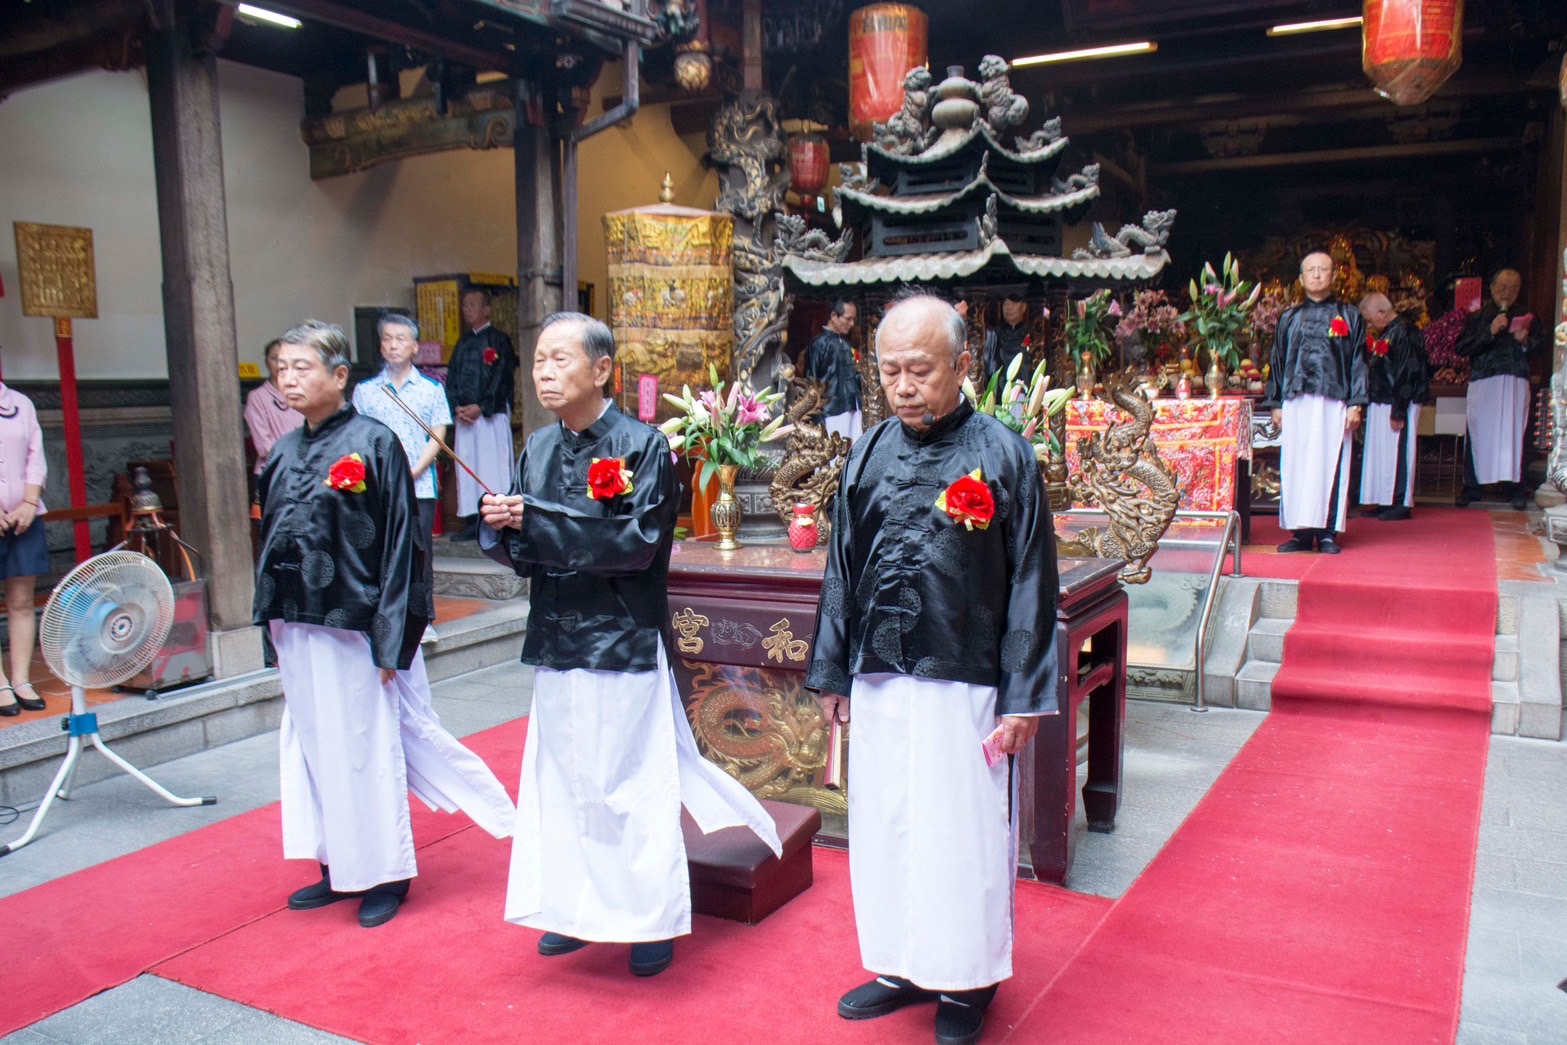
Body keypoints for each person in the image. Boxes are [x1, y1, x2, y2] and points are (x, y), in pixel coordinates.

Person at [479, 312, 781, 978]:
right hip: (557, 639)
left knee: (627, 781)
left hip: (620, 636)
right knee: (564, 782)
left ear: (602, 368)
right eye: (539, 361)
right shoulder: (535, 449)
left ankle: (647, 917)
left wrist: (543, 521)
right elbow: (529, 555)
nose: (546, 373)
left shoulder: (643, 446)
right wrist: (502, 528)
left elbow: (635, 544)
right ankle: (572, 907)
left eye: (561, 359)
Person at [805, 294, 1059, 1045]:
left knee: (960, 829)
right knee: (886, 824)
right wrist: (832, 672)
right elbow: (839, 569)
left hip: (967, 679)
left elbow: (1030, 585)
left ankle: (967, 975)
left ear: (962, 365)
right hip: (881, 673)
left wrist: (1021, 695)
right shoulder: (868, 451)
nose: (904, 385)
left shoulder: (1005, 452)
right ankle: (897, 963)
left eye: (920, 369)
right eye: (889, 371)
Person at [255, 320, 514, 929]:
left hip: (356, 624)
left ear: (340, 375)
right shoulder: (283, 450)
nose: (288, 379)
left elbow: (404, 548)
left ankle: (384, 873)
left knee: (363, 749)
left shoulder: (375, 443)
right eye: (280, 369)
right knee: (313, 748)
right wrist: (266, 621)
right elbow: (266, 542)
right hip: (296, 621)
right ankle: (332, 866)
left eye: (302, 367)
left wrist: (392, 637)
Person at [352, 313, 451, 644]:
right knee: (380, 551)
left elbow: (439, 432)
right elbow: (357, 435)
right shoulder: (366, 391)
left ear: (414, 347)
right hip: (378, 486)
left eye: (400, 339)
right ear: (380, 346)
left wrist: (417, 469)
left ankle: (424, 620)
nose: (393, 345)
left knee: (420, 553)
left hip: (419, 485)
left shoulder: (431, 389)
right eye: (387, 339)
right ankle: (383, 618)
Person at [1261, 251, 1368, 554]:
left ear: (1334, 276)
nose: (1318, 275)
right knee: (1296, 464)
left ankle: (1327, 532)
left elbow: (1359, 361)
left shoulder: (1349, 316)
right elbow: (1278, 361)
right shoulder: (1289, 317)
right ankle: (1300, 532)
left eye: (1324, 269)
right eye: (1311, 270)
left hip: (1334, 400)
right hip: (1295, 400)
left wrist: (1356, 402)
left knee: (1329, 462)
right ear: (1301, 278)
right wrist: (1276, 402)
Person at [1455, 268, 1546, 511]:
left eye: (1513, 288)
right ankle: (1472, 487)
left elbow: (1543, 346)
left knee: (1515, 433)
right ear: (1492, 288)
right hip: (1484, 380)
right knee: (1478, 431)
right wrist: (1490, 331)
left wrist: (1525, 340)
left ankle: (1515, 488)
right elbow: (1462, 347)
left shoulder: (1527, 315)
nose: (1507, 293)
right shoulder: (1477, 316)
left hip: (1515, 380)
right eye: (1502, 288)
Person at [445, 289, 518, 540]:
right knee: (468, 466)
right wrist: (456, 406)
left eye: (473, 305)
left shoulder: (500, 340)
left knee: (491, 467)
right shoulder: (462, 343)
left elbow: (502, 379)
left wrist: (483, 406)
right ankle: (472, 521)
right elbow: (452, 377)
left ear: (487, 309)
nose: (467, 309)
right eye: (465, 305)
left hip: (490, 416)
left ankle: (497, 520)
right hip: (465, 418)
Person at [1357, 293, 1429, 521]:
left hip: (1398, 401)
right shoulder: (1388, 331)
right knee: (1382, 452)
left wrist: (1399, 408)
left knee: (1400, 449)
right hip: (1382, 400)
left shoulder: (1406, 331)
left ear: (1381, 313)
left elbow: (1409, 370)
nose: (1369, 325)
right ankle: (1384, 498)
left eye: (1369, 320)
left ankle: (1400, 500)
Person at [0, 380, 48, 717]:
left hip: (25, 517)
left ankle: (20, 679)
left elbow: (36, 456)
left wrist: (30, 502)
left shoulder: (21, 403)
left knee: (21, 601)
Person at [243, 337, 305, 476]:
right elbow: (264, 445)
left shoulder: (302, 391)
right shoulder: (257, 397)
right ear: (266, 362)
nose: (279, 364)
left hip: (305, 469)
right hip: (274, 471)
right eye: (274, 358)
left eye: (284, 359)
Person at [801, 298, 863, 439]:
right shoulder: (819, 344)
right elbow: (811, 380)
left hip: (853, 407)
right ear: (834, 316)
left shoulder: (847, 345)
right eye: (848, 319)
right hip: (831, 411)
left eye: (854, 319)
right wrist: (816, 416)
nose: (852, 324)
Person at [984, 293, 1031, 383]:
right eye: (1005, 303)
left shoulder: (1030, 332)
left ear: (1023, 307)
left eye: (1013, 303)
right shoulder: (995, 334)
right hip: (1000, 385)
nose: (1008, 308)